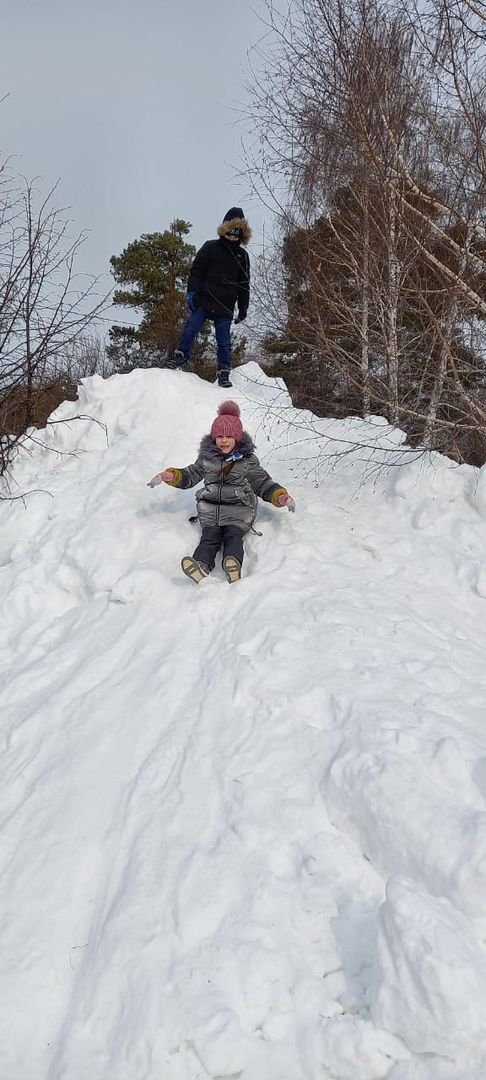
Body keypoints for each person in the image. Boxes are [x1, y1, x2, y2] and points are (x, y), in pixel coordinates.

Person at [148, 401, 295, 584]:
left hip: (239, 510)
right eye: (219, 436)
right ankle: (201, 565)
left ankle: (232, 565)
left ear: (237, 438)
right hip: (211, 510)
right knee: (209, 538)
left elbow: (262, 482)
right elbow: (191, 474)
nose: (223, 440)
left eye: (228, 436)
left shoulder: (246, 461)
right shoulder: (207, 459)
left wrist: (279, 496)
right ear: (213, 438)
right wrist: (172, 476)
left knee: (233, 535)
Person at [168, 207, 251, 389]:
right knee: (190, 329)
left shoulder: (242, 257)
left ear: (241, 235)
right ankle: (180, 357)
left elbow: (244, 285)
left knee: (223, 341)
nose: (232, 238)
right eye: (229, 234)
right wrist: (192, 292)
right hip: (204, 300)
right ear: (224, 230)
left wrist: (243, 308)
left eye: (236, 235)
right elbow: (196, 271)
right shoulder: (210, 247)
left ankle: (223, 373)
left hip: (225, 305)